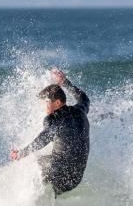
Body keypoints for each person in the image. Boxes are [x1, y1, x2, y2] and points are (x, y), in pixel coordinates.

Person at [10, 68, 90, 196]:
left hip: (58, 172)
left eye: (47, 103)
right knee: (53, 168)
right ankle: (50, 198)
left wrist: (21, 153)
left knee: (33, 164)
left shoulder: (53, 118)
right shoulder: (80, 110)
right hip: (75, 179)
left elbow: (44, 137)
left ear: (57, 102)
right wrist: (65, 82)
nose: (45, 107)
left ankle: (25, 200)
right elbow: (84, 98)